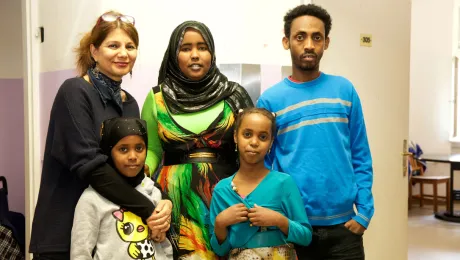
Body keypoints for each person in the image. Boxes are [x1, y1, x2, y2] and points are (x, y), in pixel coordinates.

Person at [30, 11, 171, 260]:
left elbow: (132, 168)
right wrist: (149, 209)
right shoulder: (74, 92)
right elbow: (91, 166)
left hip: (111, 238)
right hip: (64, 231)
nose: (123, 53)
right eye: (113, 45)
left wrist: (163, 201)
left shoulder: (130, 104)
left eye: (130, 46)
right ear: (94, 51)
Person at [257, 4, 374, 260]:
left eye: (316, 37)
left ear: (326, 43)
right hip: (292, 228)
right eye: (300, 37)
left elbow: (360, 154)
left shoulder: (345, 91)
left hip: (344, 232)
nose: (309, 44)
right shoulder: (270, 101)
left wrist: (364, 212)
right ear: (286, 42)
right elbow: (263, 165)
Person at [141, 20, 253, 259]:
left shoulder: (235, 95)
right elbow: (151, 150)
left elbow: (252, 149)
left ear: (211, 53)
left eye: (202, 47)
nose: (195, 55)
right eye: (185, 48)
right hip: (173, 204)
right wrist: (139, 171)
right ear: (174, 54)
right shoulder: (157, 97)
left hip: (227, 200)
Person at [209, 108, 312, 259]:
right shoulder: (222, 190)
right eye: (247, 134)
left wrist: (279, 221)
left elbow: (305, 236)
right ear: (236, 137)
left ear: (271, 142)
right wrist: (220, 223)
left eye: (263, 137)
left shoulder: (284, 183)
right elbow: (220, 250)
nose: (254, 142)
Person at [71, 117, 173, 260]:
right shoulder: (91, 200)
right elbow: (80, 253)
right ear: (109, 151)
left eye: (139, 148)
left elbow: (164, 246)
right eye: (123, 149)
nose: (133, 156)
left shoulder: (154, 192)